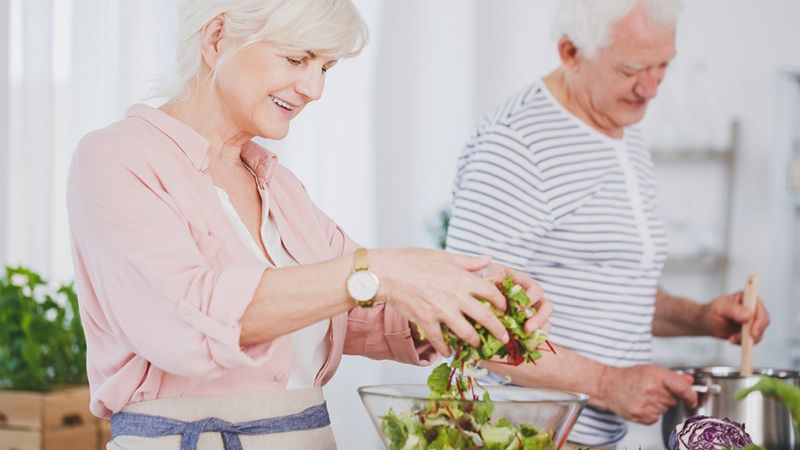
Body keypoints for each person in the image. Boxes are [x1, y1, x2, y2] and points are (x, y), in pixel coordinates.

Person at [65, 1, 552, 449]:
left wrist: (470, 301)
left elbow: (360, 306)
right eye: (297, 59)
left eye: (326, 68)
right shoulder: (116, 158)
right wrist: (385, 271)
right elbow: (187, 315)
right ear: (217, 39)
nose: (314, 89)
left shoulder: (279, 188)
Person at [445, 0, 770, 448]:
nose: (652, 87)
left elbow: (607, 287)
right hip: (518, 437)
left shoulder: (620, 126)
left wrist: (700, 318)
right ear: (570, 52)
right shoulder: (517, 146)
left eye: (663, 66)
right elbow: (470, 323)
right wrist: (607, 383)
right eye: (633, 68)